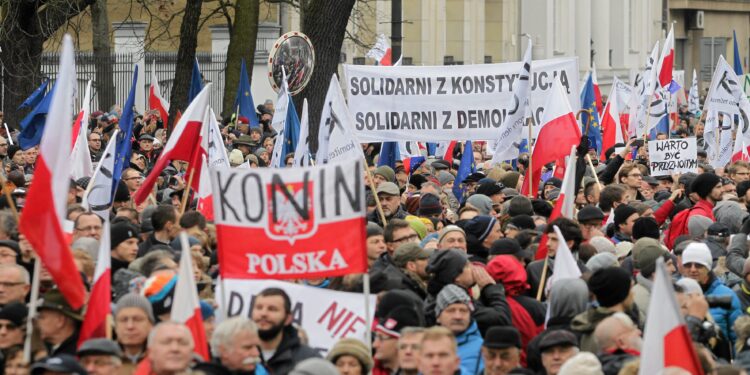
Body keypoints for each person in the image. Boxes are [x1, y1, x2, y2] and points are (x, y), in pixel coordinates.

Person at [681, 242, 742, 344]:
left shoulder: (727, 295)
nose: (693, 269)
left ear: (708, 267)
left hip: (718, 358)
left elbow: (738, 339)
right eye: (688, 265)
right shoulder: (675, 294)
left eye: (699, 265)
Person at [251, 288, 320, 374]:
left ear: (288, 318)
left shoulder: (309, 360)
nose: (263, 313)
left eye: (272, 309)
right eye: (259, 308)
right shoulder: (237, 355)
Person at [570, 267, 634, 353]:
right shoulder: (613, 331)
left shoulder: (591, 321)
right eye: (630, 289)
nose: (633, 293)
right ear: (621, 293)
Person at [434, 284, 484, 374]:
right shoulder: (426, 346)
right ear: (438, 316)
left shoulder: (484, 350)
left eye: (463, 310)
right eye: (451, 310)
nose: (458, 316)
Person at [114, 293, 155, 372]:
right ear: (116, 326)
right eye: (123, 320)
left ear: (151, 325)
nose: (130, 326)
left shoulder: (162, 360)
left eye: (138, 319)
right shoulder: (104, 361)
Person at [35, 288, 82, 357]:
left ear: (60, 321)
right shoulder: (50, 348)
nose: (37, 322)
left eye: (42, 317)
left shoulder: (78, 354)